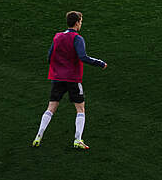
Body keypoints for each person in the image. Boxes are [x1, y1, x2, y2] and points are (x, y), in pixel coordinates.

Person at [33, 11, 107, 150]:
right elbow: (83, 57)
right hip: (72, 78)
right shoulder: (77, 38)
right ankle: (78, 139)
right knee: (80, 109)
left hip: (57, 78)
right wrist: (100, 63)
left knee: (51, 107)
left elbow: (50, 56)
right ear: (77, 22)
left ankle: (39, 135)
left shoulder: (58, 37)